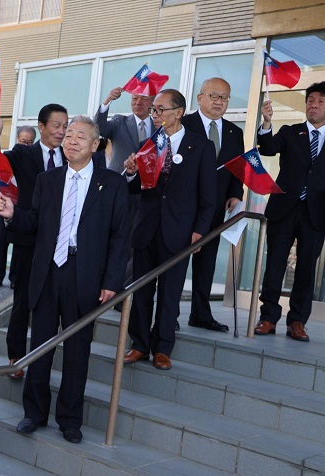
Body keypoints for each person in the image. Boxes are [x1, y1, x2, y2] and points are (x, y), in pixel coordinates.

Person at [0, 115, 128, 443]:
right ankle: (34, 412)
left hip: (86, 274)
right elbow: (35, 222)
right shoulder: (48, 179)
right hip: (48, 272)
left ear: (95, 145)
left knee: (78, 350)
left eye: (80, 136)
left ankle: (70, 419)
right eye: (68, 135)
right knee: (40, 346)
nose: (72, 141)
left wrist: (112, 281)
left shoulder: (111, 183)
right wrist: (13, 216)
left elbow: (120, 237)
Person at [123, 89, 216, 370]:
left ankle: (162, 348)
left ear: (178, 112)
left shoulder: (201, 146)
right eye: (154, 109)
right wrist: (131, 172)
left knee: (170, 293)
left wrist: (200, 230)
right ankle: (139, 344)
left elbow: (208, 196)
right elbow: (136, 188)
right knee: (141, 291)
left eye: (160, 109)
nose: (155, 114)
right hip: (146, 228)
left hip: (180, 231)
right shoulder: (147, 144)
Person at [0, 104, 68, 377]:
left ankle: (44, 355)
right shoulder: (23, 154)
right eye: (56, 125)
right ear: (41, 127)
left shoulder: (70, 157)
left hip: (60, 243)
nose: (62, 131)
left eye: (65, 126)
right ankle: (16, 356)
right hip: (27, 239)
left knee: (53, 302)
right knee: (23, 299)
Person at [254, 82, 325, 342]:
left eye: (320, 101)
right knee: (275, 264)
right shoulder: (291, 132)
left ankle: (297, 321)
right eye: (310, 100)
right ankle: (268, 317)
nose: (313, 105)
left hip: (316, 214)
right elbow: (268, 148)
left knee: (306, 269)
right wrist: (266, 122)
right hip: (284, 209)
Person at [182, 78, 244, 332]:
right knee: (176, 263)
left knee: (206, 262)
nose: (219, 102)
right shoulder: (184, 124)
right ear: (200, 98)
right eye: (214, 96)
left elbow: (238, 168)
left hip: (215, 207)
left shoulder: (234, 132)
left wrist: (236, 194)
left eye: (224, 97)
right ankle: (168, 314)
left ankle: (200, 314)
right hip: (183, 206)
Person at [95, 88, 156, 307]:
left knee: (133, 243)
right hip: (119, 189)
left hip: (146, 192)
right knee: (111, 240)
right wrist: (107, 102)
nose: (138, 103)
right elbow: (100, 128)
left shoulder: (159, 127)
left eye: (144, 99)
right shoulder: (120, 122)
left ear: (152, 103)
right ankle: (102, 286)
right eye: (134, 98)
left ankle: (123, 293)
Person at [0, 126, 35, 288]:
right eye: (23, 141)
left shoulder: (36, 159)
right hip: (4, 206)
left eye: (30, 142)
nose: (26, 145)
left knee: (19, 245)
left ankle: (15, 278)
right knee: (1, 243)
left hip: (23, 210)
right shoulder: (12, 155)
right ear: (17, 139)